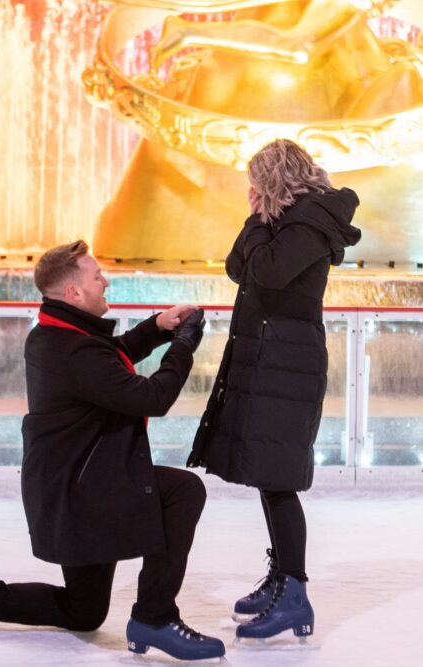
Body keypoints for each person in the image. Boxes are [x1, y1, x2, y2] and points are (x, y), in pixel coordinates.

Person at [0, 240, 225, 662]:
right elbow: (151, 398)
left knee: (84, 611)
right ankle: (154, 617)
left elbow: (109, 360)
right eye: (96, 275)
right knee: (183, 491)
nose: (106, 280)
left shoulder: (56, 335)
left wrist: (157, 327)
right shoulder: (73, 350)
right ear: (74, 294)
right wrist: (182, 346)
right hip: (83, 493)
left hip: (73, 487)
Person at [187, 139, 361, 642]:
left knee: (279, 479)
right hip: (272, 361)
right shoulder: (289, 222)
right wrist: (259, 219)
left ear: (272, 180)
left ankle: (296, 593)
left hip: (288, 364)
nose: (253, 194)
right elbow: (236, 268)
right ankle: (282, 576)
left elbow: (264, 270)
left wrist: (259, 218)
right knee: (268, 473)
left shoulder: (309, 222)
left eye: (258, 185)